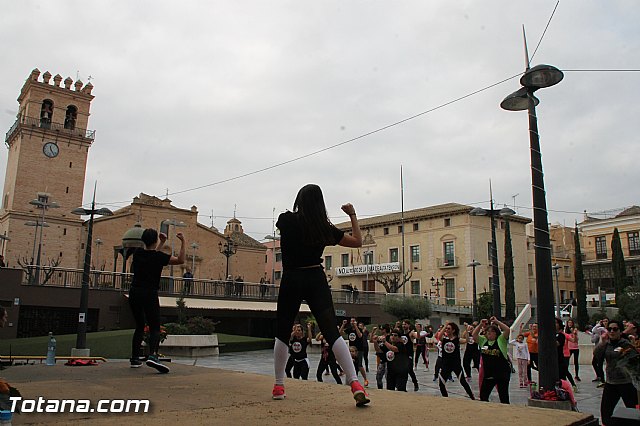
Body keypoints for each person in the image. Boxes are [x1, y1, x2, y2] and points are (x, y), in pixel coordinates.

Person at [271, 184, 369, 406]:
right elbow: (357, 242)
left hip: (292, 278)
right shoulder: (323, 227)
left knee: (283, 331)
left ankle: (278, 385)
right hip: (316, 278)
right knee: (331, 332)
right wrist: (352, 214)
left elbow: (286, 232)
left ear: (299, 200)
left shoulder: (286, 220)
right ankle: (355, 383)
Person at [129, 229, 185, 373]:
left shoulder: (137, 253)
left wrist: (161, 243)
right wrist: (183, 242)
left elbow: (151, 255)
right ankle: (153, 355)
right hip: (149, 293)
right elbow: (180, 260)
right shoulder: (159, 257)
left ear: (143, 240)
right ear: (154, 240)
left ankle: (135, 358)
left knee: (140, 325)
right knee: (154, 326)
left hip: (134, 292)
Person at [594, 320, 638, 425]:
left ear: (620, 331)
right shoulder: (606, 344)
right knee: (605, 414)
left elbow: (633, 360)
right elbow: (597, 355)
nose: (612, 331)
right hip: (611, 383)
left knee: (634, 412)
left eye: (615, 329)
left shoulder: (625, 344)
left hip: (626, 383)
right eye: (609, 329)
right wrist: (602, 342)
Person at [473, 316, 511, 404]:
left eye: (492, 332)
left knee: (503, 396)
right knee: (483, 396)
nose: (489, 333)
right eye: (487, 332)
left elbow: (507, 330)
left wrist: (497, 322)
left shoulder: (500, 340)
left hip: (502, 373)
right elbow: (474, 335)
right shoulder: (483, 341)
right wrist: (480, 325)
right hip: (489, 374)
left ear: (496, 333)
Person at [437, 322, 475, 399]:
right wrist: (444, 326)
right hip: (446, 364)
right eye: (446, 328)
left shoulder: (457, 339)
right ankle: (446, 398)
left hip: (455, 364)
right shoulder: (444, 339)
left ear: (453, 330)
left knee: (463, 382)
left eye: (449, 329)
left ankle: (472, 396)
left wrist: (467, 331)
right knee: (441, 384)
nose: (447, 330)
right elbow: (439, 336)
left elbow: (466, 340)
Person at [401, 320, 420, 391]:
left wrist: (418, 331)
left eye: (405, 324)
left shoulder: (411, 333)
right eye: (403, 324)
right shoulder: (401, 333)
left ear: (408, 325)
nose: (403, 326)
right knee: (402, 370)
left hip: (409, 354)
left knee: (409, 370)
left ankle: (415, 383)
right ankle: (402, 386)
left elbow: (418, 337)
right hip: (402, 354)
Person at [591, 317, 608, 385]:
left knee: (601, 364)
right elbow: (594, 330)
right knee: (594, 363)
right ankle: (599, 376)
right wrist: (598, 324)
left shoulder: (608, 330)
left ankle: (602, 379)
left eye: (606, 321)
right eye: (604, 321)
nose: (605, 322)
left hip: (606, 348)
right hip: (599, 349)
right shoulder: (601, 329)